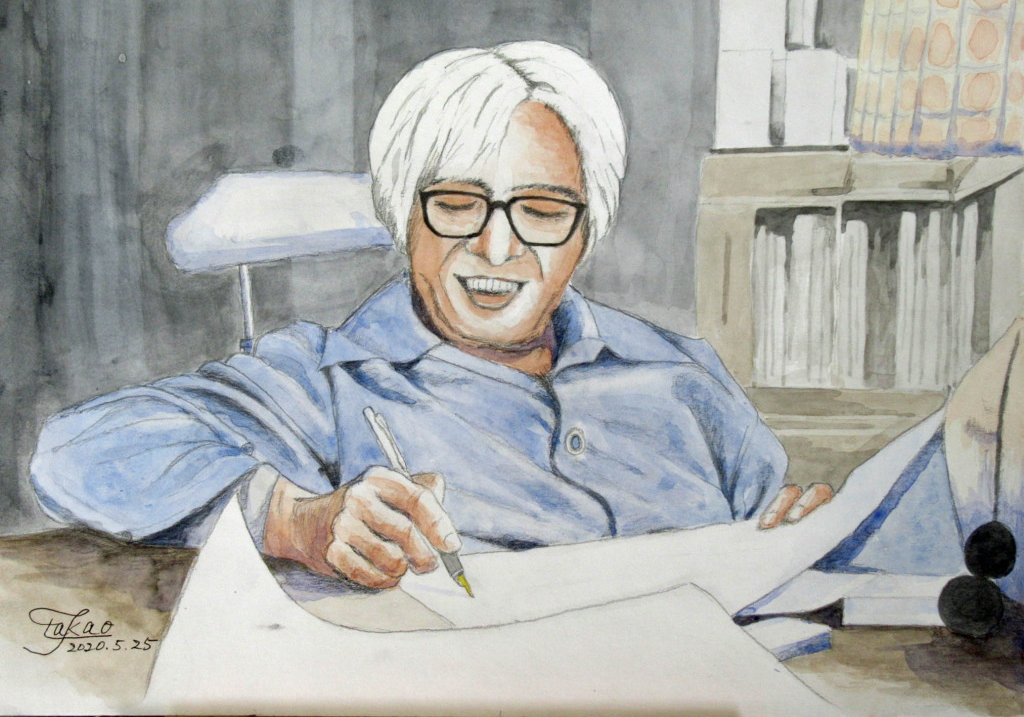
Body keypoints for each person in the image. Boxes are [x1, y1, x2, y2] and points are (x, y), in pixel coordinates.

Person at [34, 41, 977, 595]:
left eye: (540, 209)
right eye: (456, 202)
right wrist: (294, 517)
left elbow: (767, 539)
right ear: (402, 215)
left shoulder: (684, 376)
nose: (496, 246)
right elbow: (73, 451)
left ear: (586, 230)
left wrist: (794, 537)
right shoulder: (324, 379)